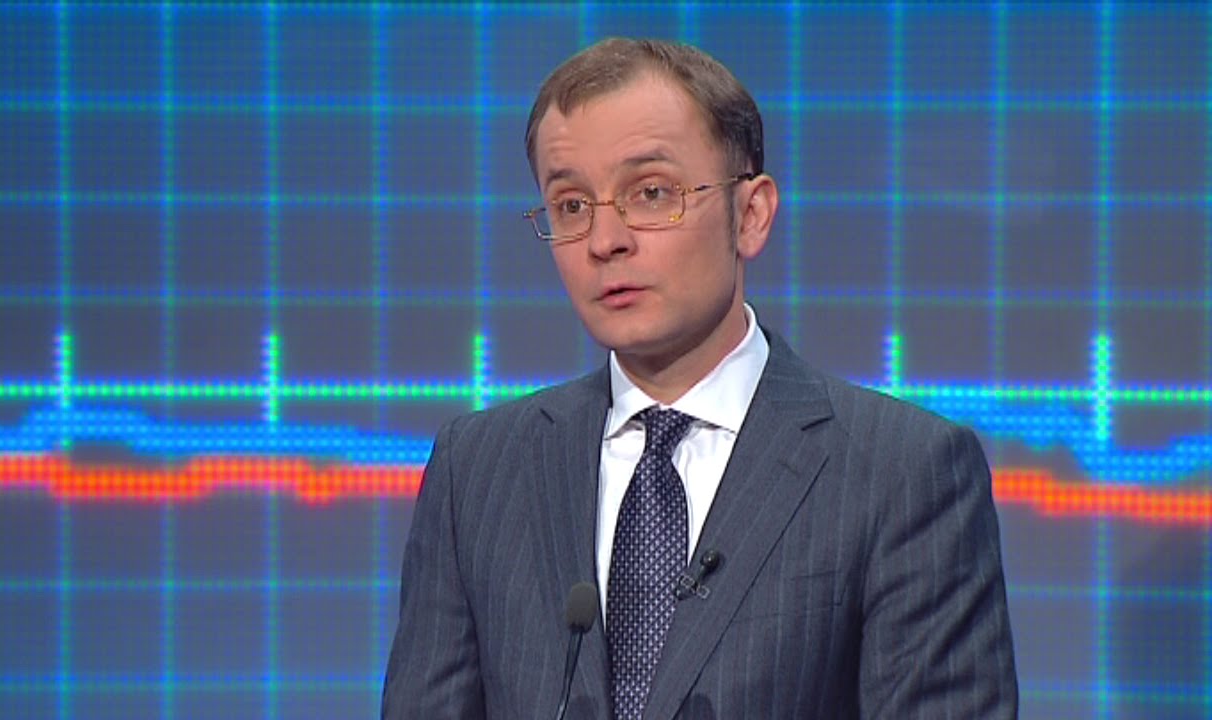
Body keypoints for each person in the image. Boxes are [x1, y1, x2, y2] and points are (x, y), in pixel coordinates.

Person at [383, 37, 1017, 719]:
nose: (605, 241)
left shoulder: (901, 472)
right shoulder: (478, 471)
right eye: (570, 205)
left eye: (651, 193)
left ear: (751, 215)